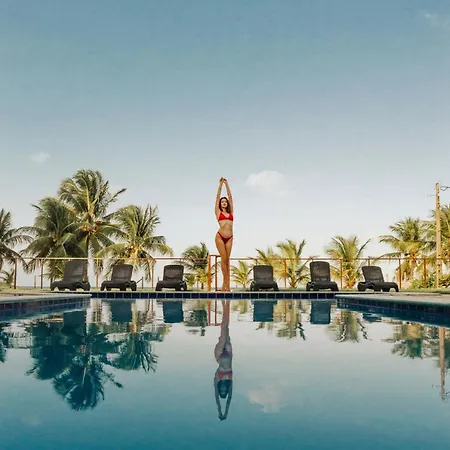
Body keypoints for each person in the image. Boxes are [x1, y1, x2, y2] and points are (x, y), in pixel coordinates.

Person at [214, 300, 233, 421]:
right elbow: (229, 399)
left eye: (221, 390)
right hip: (229, 354)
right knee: (226, 328)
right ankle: (226, 304)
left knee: (223, 330)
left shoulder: (217, 380)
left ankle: (225, 304)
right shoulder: (230, 383)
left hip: (220, 354)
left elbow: (216, 398)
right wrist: (226, 412)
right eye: (224, 391)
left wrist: (220, 410)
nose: (223, 389)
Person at [215, 177, 234, 292]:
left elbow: (230, 197)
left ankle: (226, 285)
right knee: (224, 260)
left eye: (225, 202)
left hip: (230, 238)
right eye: (222, 202)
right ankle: (226, 285)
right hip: (220, 238)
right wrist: (220, 185)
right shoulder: (218, 212)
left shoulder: (231, 212)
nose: (224, 203)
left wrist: (227, 184)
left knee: (227, 261)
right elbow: (217, 197)